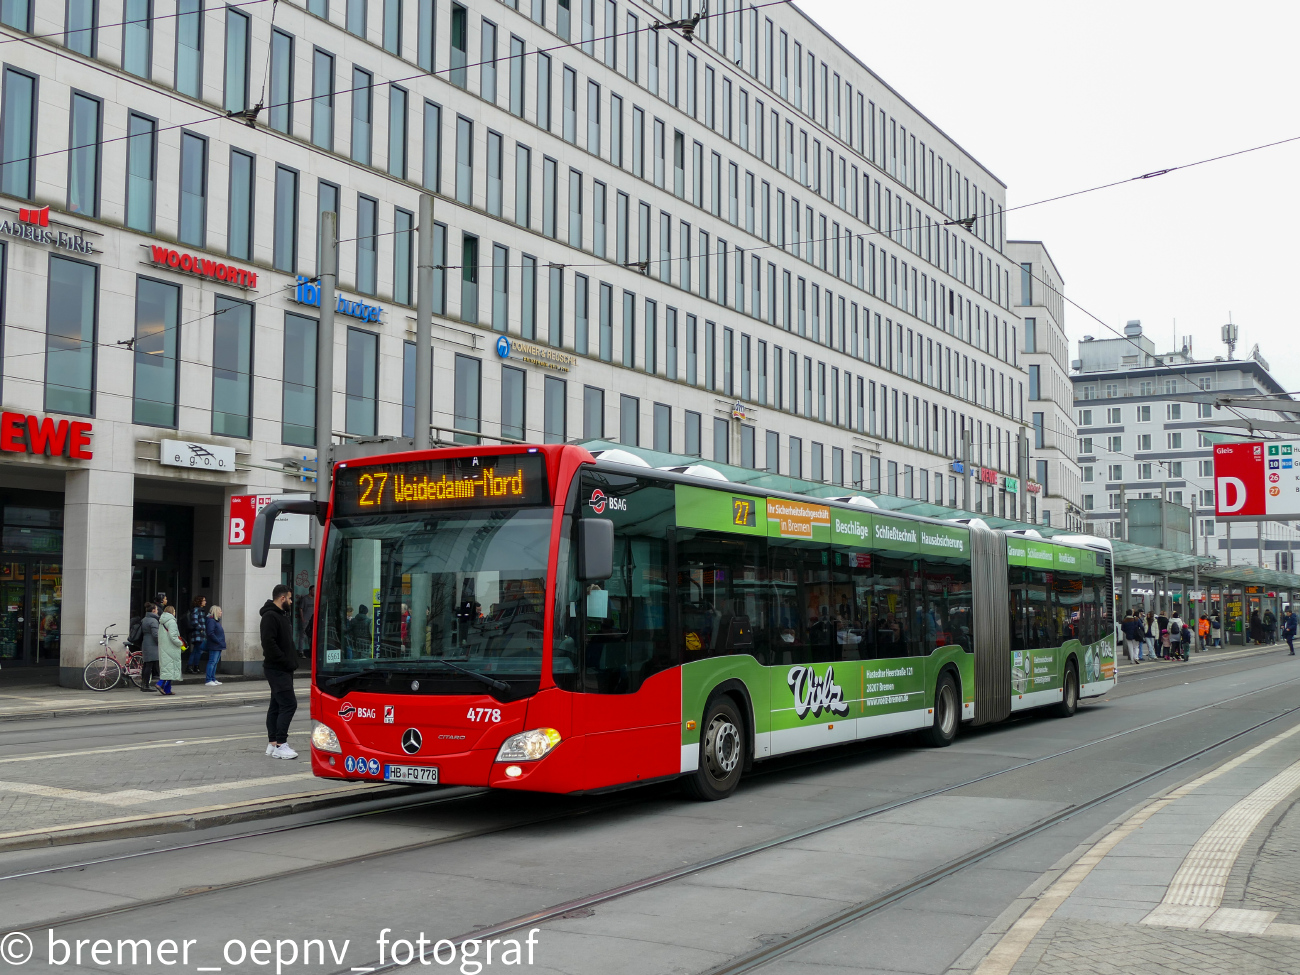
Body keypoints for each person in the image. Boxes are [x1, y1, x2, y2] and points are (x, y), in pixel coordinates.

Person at [261, 584, 299, 759]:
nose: (291, 602)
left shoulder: (281, 616)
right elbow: (269, 644)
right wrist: (285, 661)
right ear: (282, 598)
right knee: (289, 704)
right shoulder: (270, 617)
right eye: (290, 598)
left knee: (276, 705)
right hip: (278, 668)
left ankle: (272, 743)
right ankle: (281, 744)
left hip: (282, 668)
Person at [156, 605, 185, 695]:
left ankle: (167, 689)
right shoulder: (172, 622)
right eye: (174, 611)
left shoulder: (162, 622)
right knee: (171, 668)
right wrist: (180, 643)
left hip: (164, 647)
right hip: (171, 648)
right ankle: (160, 683)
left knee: (168, 668)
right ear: (172, 612)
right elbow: (173, 637)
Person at [139, 602, 160, 691]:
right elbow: (155, 635)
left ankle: (143, 685)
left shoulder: (144, 619)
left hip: (146, 643)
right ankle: (146, 685)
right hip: (152, 644)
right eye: (157, 609)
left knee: (146, 665)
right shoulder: (153, 620)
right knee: (149, 666)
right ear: (153, 610)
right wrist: (160, 642)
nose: (158, 611)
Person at [204, 606, 226, 686]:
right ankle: (209, 679)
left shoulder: (215, 621)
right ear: (216, 612)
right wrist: (217, 641)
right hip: (214, 645)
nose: (221, 613)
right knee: (212, 662)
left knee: (215, 662)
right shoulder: (211, 621)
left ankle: (213, 678)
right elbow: (210, 633)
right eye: (220, 611)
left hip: (218, 645)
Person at [186, 595, 208, 674]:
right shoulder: (197, 610)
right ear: (200, 601)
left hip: (200, 634)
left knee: (197, 650)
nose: (205, 602)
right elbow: (194, 621)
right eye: (204, 600)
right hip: (198, 634)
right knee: (197, 651)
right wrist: (201, 629)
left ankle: (193, 666)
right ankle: (193, 666)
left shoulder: (201, 610)